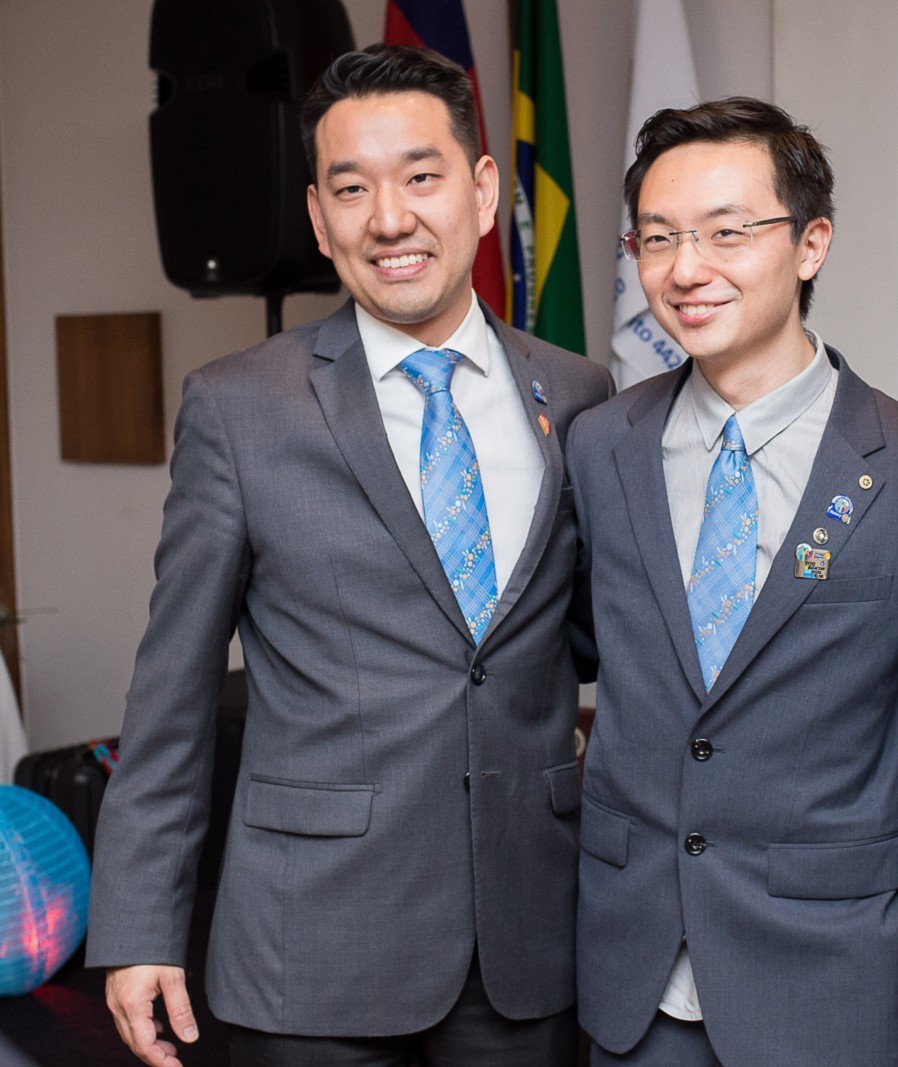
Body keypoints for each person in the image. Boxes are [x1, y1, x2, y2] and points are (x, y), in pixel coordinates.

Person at [87, 44, 610, 1067]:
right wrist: (140, 923)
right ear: (320, 221)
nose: (389, 218)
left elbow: (595, 633)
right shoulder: (239, 407)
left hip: (529, 935)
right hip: (311, 948)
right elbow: (172, 689)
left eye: (420, 176)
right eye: (352, 188)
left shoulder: (582, 394)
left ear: (482, 190)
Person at [566, 97, 898, 1067]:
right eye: (657, 237)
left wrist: (834, 713)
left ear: (810, 243)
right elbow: (585, 638)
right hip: (631, 969)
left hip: (823, 973)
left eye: (726, 232)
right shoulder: (599, 444)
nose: (685, 268)